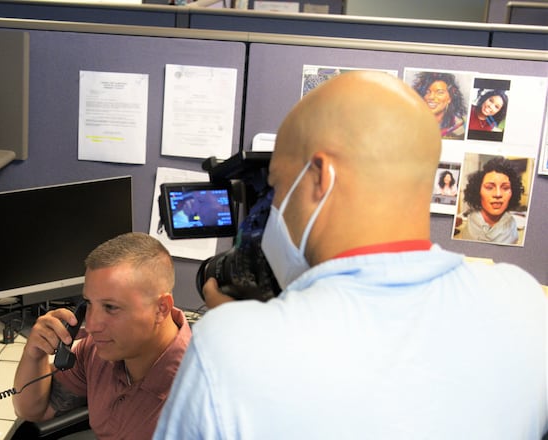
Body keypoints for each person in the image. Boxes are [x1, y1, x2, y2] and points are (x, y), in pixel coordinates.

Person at [154, 71, 546, 438]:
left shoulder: (231, 348)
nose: (272, 208)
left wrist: (243, 334)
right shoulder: (523, 302)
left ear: (320, 177)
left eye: (278, 185)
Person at [13, 232, 191, 439]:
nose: (91, 326)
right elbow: (35, 411)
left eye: (110, 307)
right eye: (89, 303)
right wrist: (35, 355)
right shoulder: (98, 350)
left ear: (161, 309)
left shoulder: (198, 396)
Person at [457, 156, 523, 244]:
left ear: (513, 192)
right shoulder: (469, 225)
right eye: (489, 187)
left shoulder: (512, 226)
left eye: (505, 188)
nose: (498, 194)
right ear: (477, 191)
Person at [411, 71, 467, 140]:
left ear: (450, 98)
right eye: (427, 92)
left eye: (440, 92)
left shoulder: (460, 129)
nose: (431, 97)